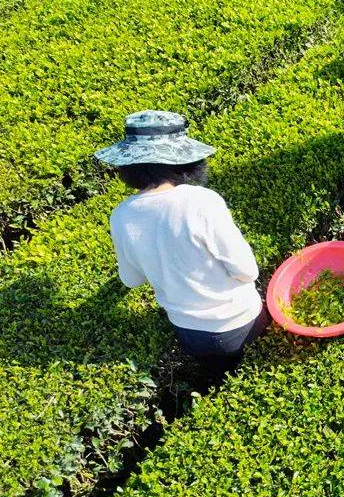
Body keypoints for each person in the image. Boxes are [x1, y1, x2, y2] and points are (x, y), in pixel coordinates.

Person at [95, 111, 268, 369]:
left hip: (190, 335)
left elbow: (131, 280)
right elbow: (246, 270)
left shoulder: (121, 215)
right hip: (241, 323)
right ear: (184, 161)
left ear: (129, 167)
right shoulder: (201, 201)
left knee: (218, 375)